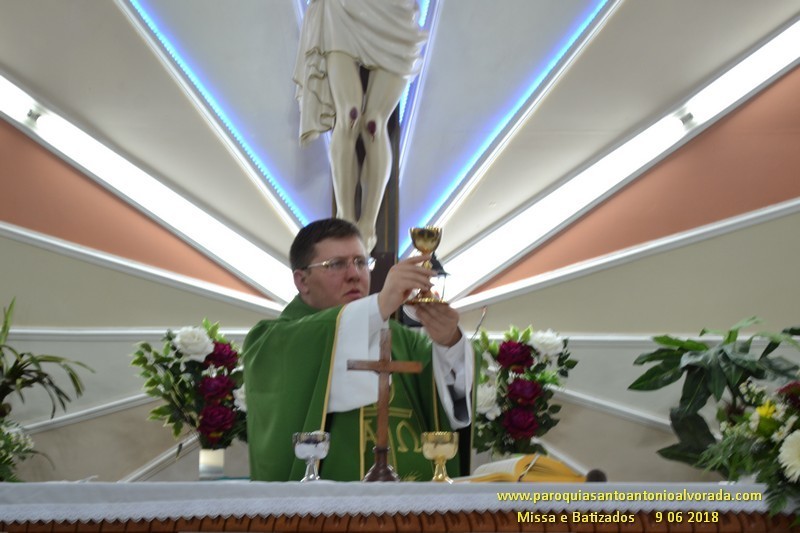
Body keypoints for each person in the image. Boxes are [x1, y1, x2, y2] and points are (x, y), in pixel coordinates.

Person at [243, 218, 473, 481]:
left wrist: (449, 342)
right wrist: (382, 303)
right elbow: (316, 340)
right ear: (302, 280)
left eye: (361, 262)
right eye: (336, 264)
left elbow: (450, 405)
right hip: (329, 503)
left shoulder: (403, 340)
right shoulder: (269, 341)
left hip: (416, 498)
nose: (354, 274)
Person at [293, 0, 428, 251]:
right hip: (340, 8)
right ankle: (345, 218)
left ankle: (368, 225)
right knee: (349, 117)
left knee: (374, 124)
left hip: (395, 13)